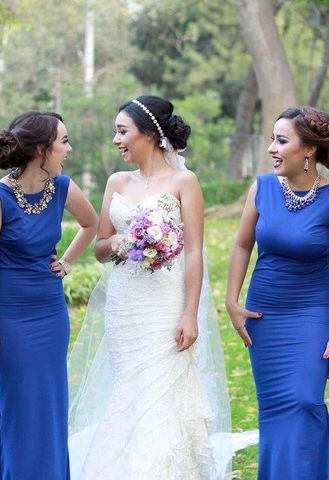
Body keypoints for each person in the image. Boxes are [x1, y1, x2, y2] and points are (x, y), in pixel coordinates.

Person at [67, 95, 246, 479]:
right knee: (129, 390)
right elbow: (99, 248)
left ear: (149, 133)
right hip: (125, 303)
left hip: (166, 303)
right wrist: (116, 243)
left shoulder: (185, 182)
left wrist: (190, 313)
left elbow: (195, 252)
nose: (116, 140)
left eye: (122, 131)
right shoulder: (117, 181)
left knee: (161, 392)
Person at [226, 106, 329, 479]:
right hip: (264, 314)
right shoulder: (262, 188)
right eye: (272, 139)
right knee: (277, 410)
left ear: (308, 150)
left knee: (305, 401)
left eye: (281, 141)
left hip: (313, 312)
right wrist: (232, 301)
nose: (272, 148)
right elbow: (240, 247)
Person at [0, 111, 97, 479]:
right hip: (10, 318)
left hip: (49, 312)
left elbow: (91, 224)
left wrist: (66, 262)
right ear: (41, 150)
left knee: (49, 405)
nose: (69, 149)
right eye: (63, 142)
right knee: (19, 406)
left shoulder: (62, 187)